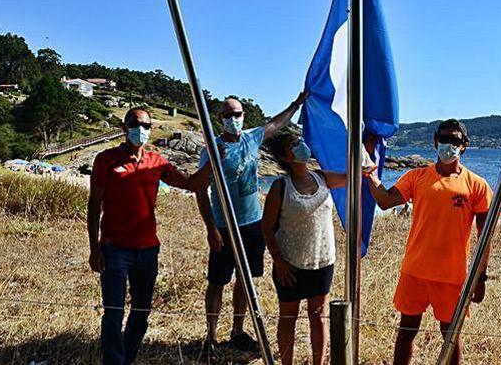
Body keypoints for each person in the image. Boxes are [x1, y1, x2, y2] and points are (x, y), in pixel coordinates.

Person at [87, 107, 213, 365]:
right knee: (113, 312)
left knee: (141, 311)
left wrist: (213, 164)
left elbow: (190, 184)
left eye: (146, 125)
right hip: (114, 249)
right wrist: (94, 248)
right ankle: (113, 361)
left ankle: (127, 358)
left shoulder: (157, 162)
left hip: (147, 250)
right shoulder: (106, 159)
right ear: (124, 127)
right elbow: (93, 205)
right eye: (135, 124)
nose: (141, 130)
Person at [365, 119, 492, 365]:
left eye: (455, 140)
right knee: (406, 332)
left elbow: (484, 236)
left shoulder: (477, 185)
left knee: (451, 337)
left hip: (452, 276)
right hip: (415, 271)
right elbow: (385, 201)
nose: (448, 144)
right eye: (444, 138)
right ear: (435, 141)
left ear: (464, 146)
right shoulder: (417, 176)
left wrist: (481, 277)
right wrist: (369, 168)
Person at [196, 92, 307, 357]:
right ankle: (210, 337)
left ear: (243, 117)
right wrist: (211, 228)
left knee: (245, 280)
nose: (233, 118)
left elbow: (276, 124)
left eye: (237, 114)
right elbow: (200, 189)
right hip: (224, 226)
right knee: (217, 281)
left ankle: (237, 331)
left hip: (253, 224)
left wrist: (296, 104)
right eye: (228, 114)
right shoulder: (212, 148)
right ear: (220, 118)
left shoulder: (252, 138)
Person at [261, 133, 346, 364]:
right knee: (288, 317)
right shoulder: (281, 187)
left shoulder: (321, 178)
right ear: (284, 157)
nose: (301, 146)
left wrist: (365, 149)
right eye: (294, 145)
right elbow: (267, 227)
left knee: (319, 317)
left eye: (300, 141)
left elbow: (352, 177)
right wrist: (278, 261)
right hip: (290, 265)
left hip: (322, 261)